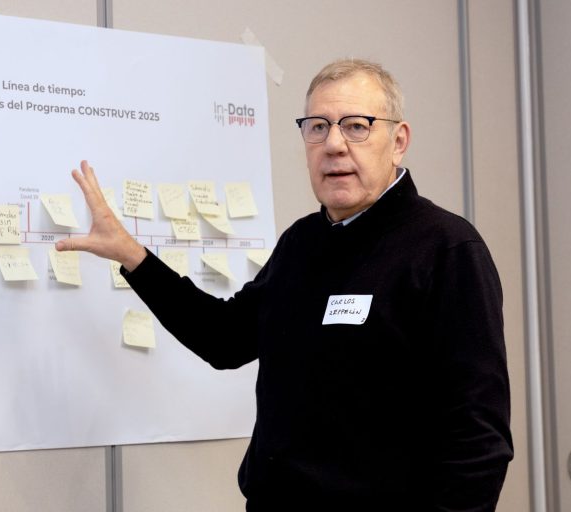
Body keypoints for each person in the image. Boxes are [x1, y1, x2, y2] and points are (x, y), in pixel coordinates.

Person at [56, 58, 513, 511]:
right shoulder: (302, 243)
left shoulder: (447, 250)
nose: (333, 145)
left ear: (398, 142)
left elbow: (478, 438)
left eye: (356, 126)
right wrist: (132, 255)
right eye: (318, 127)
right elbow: (223, 338)